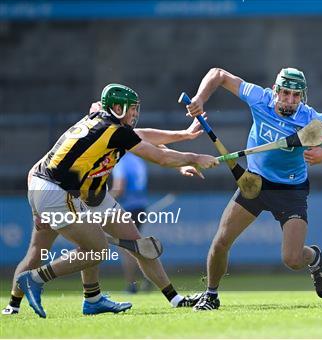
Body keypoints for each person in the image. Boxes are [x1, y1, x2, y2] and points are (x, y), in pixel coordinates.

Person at [12, 83, 218, 318]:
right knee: (95, 249)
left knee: (136, 243)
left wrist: (183, 137)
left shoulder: (104, 118)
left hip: (86, 192)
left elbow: (143, 137)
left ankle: (164, 298)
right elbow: (160, 157)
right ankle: (34, 279)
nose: (135, 113)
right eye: (131, 109)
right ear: (117, 108)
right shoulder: (113, 130)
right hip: (59, 191)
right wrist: (195, 157)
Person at [183, 67, 322, 310]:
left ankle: (313, 257)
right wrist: (200, 98)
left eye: (296, 95)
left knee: (292, 259)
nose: (290, 100)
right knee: (221, 241)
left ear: (303, 96)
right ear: (275, 91)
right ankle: (211, 295)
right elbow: (218, 74)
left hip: (291, 191)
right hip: (254, 183)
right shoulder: (260, 98)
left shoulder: (310, 118)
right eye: (286, 93)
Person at [110, 152, 151, 293]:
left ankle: (132, 285)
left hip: (128, 207)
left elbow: (119, 189)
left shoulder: (120, 162)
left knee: (127, 248)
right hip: (140, 205)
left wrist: (102, 200)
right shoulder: (137, 159)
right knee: (134, 246)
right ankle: (148, 277)